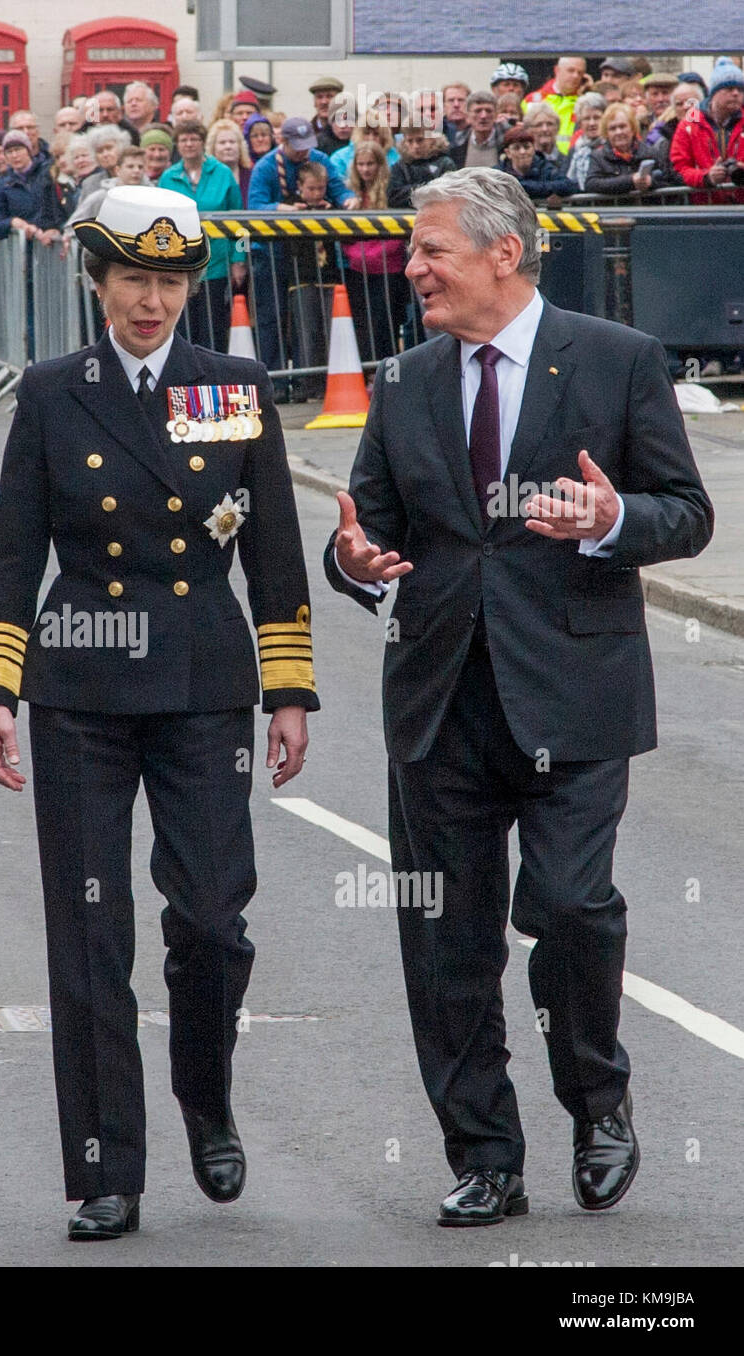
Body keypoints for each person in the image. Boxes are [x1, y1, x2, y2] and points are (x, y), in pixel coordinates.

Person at [325, 165, 712, 1227]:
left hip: (573, 694)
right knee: (446, 939)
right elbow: (368, 530)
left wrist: (608, 518)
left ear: (505, 252)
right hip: (440, 701)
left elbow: (685, 513)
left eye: (429, 250)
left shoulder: (617, 360)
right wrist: (355, 563)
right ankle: (485, 1154)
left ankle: (597, 1101)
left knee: (573, 909)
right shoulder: (403, 382)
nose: (411, 270)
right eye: (411, 250)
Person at [0, 184, 317, 1240]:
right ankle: (103, 1169)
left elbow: (271, 552)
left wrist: (290, 686)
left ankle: (203, 1091)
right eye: (133, 280)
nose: (151, 302)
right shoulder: (50, 391)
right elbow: (12, 550)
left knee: (212, 918)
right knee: (87, 933)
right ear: (97, 282)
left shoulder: (228, 388)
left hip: (201, 683)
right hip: (78, 683)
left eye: (170, 282)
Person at [247, 115, 354, 386]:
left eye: (307, 144)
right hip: (271, 253)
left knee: (307, 320)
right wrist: (281, 209)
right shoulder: (266, 167)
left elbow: (338, 189)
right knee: (272, 317)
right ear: (283, 141)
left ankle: (312, 381)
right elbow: (255, 205)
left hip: (307, 257)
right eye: (298, 146)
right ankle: (276, 382)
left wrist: (346, 200)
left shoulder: (318, 159)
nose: (304, 150)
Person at [158, 120, 245, 350]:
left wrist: (239, 259)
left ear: (203, 142)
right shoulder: (168, 178)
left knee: (214, 328)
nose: (189, 144)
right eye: (183, 139)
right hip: (179, 265)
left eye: (193, 139)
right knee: (183, 328)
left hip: (215, 264)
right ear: (177, 144)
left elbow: (241, 223)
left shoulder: (223, 174)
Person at [342, 141, 409, 362]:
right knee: (362, 325)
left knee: (385, 326)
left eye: (370, 164)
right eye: (361, 164)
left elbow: (397, 233)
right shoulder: (351, 194)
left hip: (388, 269)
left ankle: (387, 376)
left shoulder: (390, 191)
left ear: (380, 165)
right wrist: (356, 254)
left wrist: (369, 254)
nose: (365, 169)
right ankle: (368, 373)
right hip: (358, 270)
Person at [670, 58, 744, 205]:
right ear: (714, 93)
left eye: (740, 89)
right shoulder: (688, 125)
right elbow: (678, 169)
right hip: (705, 210)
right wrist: (706, 177)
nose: (736, 94)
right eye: (729, 89)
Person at [585, 103, 680, 198]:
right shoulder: (598, 157)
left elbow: (671, 182)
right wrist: (631, 180)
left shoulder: (652, 153)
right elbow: (591, 184)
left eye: (622, 126)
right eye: (612, 128)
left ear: (633, 128)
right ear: (606, 133)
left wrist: (651, 183)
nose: (618, 132)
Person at [386, 121, 457, 209]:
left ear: (431, 138)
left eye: (420, 140)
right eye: (410, 141)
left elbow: (448, 195)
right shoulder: (399, 166)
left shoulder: (445, 163)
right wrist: (427, 188)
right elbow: (392, 197)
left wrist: (413, 190)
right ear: (404, 142)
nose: (415, 146)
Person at [500, 123, 579, 201]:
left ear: (534, 149)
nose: (522, 152)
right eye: (516, 148)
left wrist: (522, 186)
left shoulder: (544, 167)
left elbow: (569, 185)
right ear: (508, 153)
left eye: (526, 147)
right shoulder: (498, 173)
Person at [525, 56, 587, 153]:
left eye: (580, 73)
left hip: (571, 160)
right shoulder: (533, 99)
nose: (576, 76)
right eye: (571, 70)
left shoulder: (584, 103)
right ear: (557, 70)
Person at [565, 93, 608, 186]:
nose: (592, 123)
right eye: (587, 118)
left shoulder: (613, 146)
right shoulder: (574, 150)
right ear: (580, 123)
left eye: (596, 117)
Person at [452, 92, 503, 169]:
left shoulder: (506, 142)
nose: (483, 116)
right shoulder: (457, 144)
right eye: (478, 111)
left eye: (488, 111)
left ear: (496, 115)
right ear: (468, 115)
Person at [205, 117, 250, 192]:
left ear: (240, 146)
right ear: (213, 148)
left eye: (232, 142)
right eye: (222, 142)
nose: (228, 146)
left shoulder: (251, 176)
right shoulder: (205, 178)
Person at [521, 102, 567, 172]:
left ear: (557, 128)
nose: (545, 129)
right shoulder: (525, 163)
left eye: (550, 124)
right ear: (528, 130)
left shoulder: (568, 161)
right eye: (539, 125)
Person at [308, 75, 348, 153]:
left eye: (329, 96)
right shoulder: (307, 133)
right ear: (314, 103)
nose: (324, 102)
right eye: (319, 97)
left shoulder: (350, 132)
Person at [442, 82, 472, 154]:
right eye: (451, 100)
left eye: (461, 100)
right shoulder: (437, 133)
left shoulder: (478, 131)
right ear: (443, 106)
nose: (456, 105)